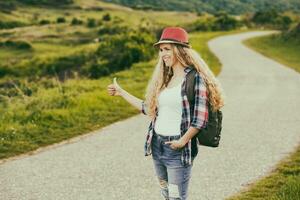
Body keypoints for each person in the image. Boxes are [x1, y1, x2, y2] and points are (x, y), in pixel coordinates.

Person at [107, 27, 224, 200]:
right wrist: (121, 93)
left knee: (176, 198)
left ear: (180, 50)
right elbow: (149, 109)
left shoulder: (195, 78)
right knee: (166, 194)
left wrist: (182, 141)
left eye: (167, 49)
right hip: (157, 144)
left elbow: (200, 119)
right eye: (161, 50)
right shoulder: (166, 79)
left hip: (178, 148)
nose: (163, 54)